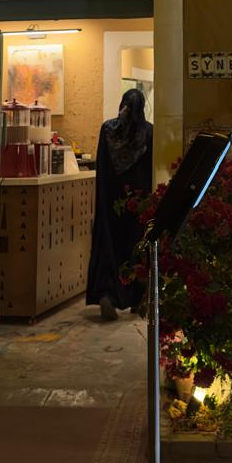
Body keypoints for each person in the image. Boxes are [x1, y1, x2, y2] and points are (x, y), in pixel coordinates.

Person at [86, 87, 153, 320]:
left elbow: (102, 167)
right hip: (138, 203)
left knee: (110, 247)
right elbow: (151, 170)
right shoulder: (148, 132)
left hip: (111, 201)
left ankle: (109, 294)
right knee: (136, 249)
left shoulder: (107, 130)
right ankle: (136, 297)